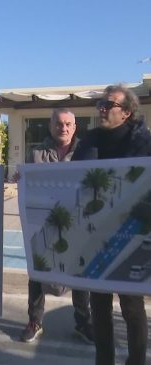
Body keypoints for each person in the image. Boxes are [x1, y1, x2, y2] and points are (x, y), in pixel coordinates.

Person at [72, 84, 150, 365]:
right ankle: (103, 360)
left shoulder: (145, 143)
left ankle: (137, 361)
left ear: (127, 112)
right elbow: (71, 179)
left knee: (131, 306)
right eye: (100, 105)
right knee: (100, 306)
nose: (102, 109)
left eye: (109, 105)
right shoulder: (89, 141)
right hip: (96, 234)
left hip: (131, 233)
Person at [20, 108, 94, 344]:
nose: (63, 128)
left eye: (68, 124)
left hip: (78, 224)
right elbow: (27, 183)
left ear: (75, 127)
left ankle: (83, 322)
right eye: (59, 124)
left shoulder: (87, 152)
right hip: (43, 225)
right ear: (52, 126)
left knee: (80, 273)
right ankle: (35, 320)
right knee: (37, 274)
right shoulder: (37, 153)